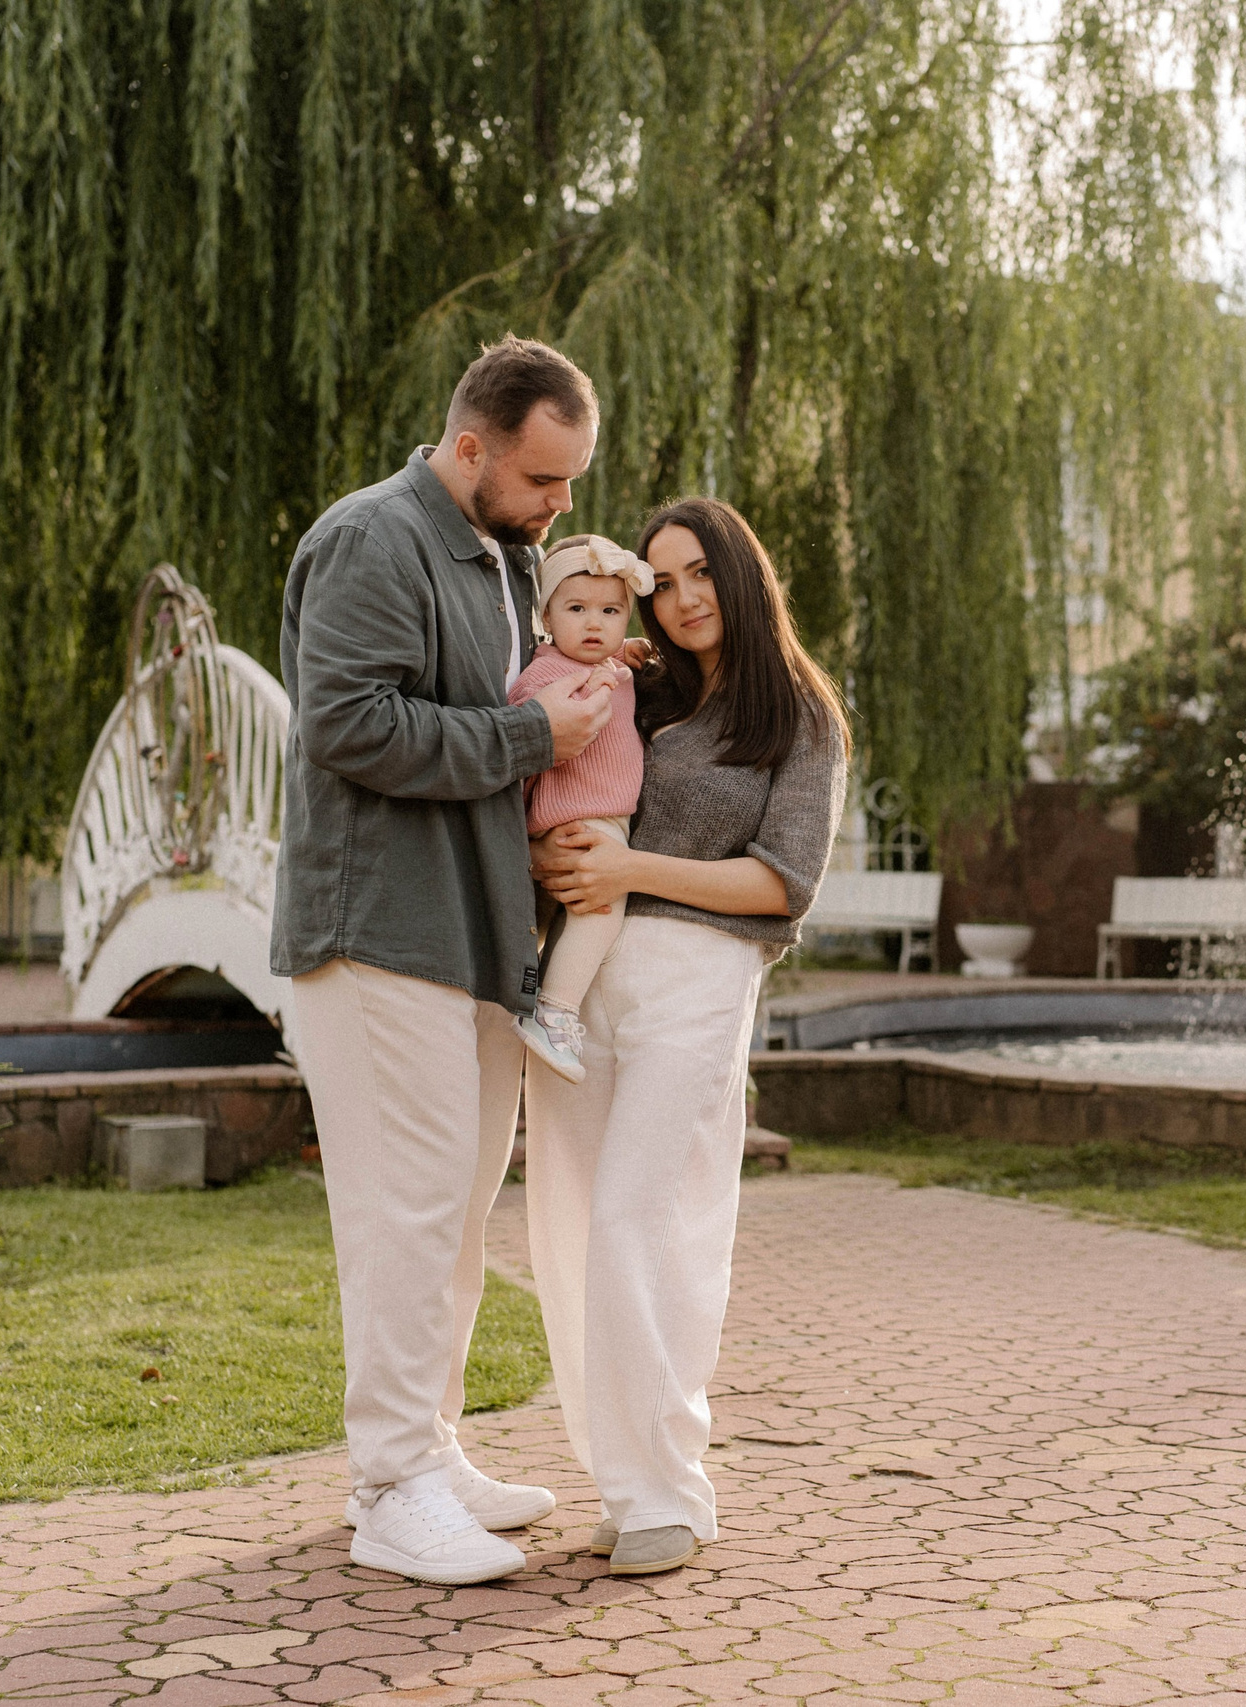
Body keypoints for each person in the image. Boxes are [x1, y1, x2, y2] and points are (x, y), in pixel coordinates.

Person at [270, 335, 618, 1587]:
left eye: (571, 483)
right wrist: (529, 734)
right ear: (470, 445)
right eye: (542, 480)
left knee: (457, 1217)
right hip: (378, 936)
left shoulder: (502, 559)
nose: (560, 508)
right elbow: (348, 722)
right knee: (404, 1215)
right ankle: (389, 1490)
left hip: (469, 940)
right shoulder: (375, 538)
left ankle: (430, 1448)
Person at [524, 495, 848, 1577]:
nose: (684, 596)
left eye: (701, 570)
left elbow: (780, 885)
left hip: (699, 980)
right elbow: (565, 796)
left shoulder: (799, 717)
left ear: (742, 575)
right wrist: (559, 862)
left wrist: (628, 872)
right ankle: (622, 1477)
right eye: (661, 579)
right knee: (571, 1228)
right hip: (584, 975)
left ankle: (671, 1485)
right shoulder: (633, 690)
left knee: (643, 1222)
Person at [508, 536, 654, 1081]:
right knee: (600, 914)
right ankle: (555, 1011)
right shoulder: (548, 677)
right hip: (582, 820)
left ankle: (533, 1001)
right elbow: (524, 720)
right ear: (546, 614)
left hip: (597, 817)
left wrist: (625, 649)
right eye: (577, 610)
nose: (594, 624)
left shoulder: (607, 658)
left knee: (559, 920)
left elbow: (613, 654)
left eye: (611, 612)